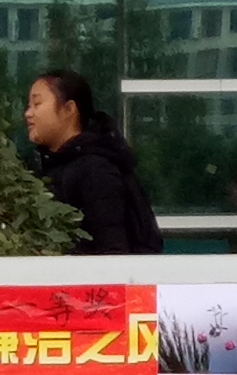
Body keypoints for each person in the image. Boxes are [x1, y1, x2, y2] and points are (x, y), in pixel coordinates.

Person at [23, 71, 162, 256]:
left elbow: (113, 250)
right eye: (29, 106)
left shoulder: (96, 170)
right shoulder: (42, 166)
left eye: (37, 104)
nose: (28, 114)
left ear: (69, 109)